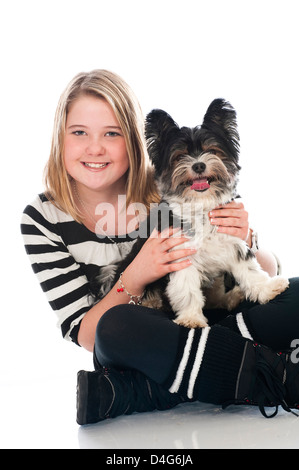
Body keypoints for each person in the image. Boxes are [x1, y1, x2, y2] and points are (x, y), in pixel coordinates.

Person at [21, 69, 299, 425]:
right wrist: (136, 276)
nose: (95, 148)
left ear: (133, 140)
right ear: (60, 138)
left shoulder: (174, 185)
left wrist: (247, 238)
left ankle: (143, 391)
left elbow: (268, 271)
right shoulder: (42, 218)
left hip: (206, 324)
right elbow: (88, 336)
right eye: (79, 133)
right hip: (142, 340)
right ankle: (275, 376)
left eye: (111, 133)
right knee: (116, 327)